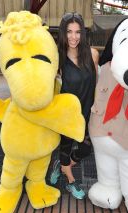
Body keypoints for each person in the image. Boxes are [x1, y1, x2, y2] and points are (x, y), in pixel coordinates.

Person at [50, 12, 99, 199]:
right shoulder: (58, 60)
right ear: (63, 33)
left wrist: (97, 106)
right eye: (69, 31)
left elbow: (97, 82)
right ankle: (70, 181)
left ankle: (63, 166)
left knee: (87, 147)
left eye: (78, 32)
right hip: (68, 114)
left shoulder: (92, 54)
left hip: (88, 110)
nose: (73, 37)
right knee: (65, 146)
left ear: (82, 34)